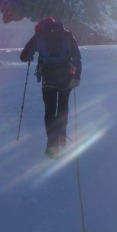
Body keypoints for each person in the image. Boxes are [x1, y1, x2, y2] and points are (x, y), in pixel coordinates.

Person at [20, 17, 82, 158]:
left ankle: (52, 146)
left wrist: (33, 54)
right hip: (66, 78)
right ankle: (61, 137)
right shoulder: (66, 34)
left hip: (49, 80)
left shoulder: (40, 36)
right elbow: (77, 57)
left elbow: (23, 56)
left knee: (50, 111)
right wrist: (77, 77)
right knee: (63, 107)